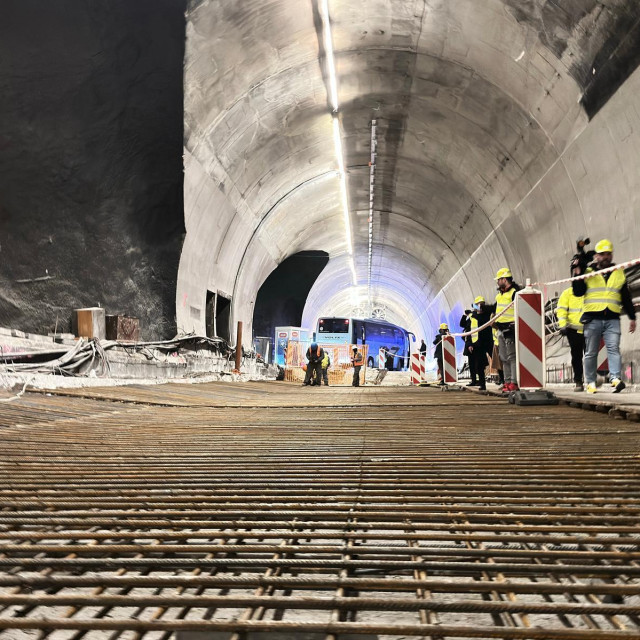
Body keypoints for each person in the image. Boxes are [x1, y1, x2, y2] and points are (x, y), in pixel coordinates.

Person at [571, 239, 636, 394]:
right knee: (591, 352)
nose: (605, 257)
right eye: (602, 254)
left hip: (612, 318)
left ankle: (615, 378)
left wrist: (632, 317)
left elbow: (625, 296)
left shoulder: (618, 271)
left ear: (611, 255)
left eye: (608, 254)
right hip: (593, 318)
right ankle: (590, 381)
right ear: (596, 256)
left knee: (613, 348)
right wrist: (578, 272)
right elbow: (578, 292)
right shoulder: (589, 272)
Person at [485, 268, 521, 393]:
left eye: (499, 280)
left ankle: (514, 382)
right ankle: (507, 381)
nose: (497, 282)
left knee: (512, 357)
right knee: (504, 358)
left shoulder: (515, 293)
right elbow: (495, 309)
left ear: (505, 279)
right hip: (500, 330)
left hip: (510, 329)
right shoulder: (500, 296)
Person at [556, 286, 585, 392]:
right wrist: (562, 325)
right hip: (573, 330)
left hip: (590, 329)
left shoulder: (590, 291)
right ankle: (578, 381)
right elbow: (561, 311)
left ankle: (592, 381)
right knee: (576, 356)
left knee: (592, 355)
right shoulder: (567, 293)